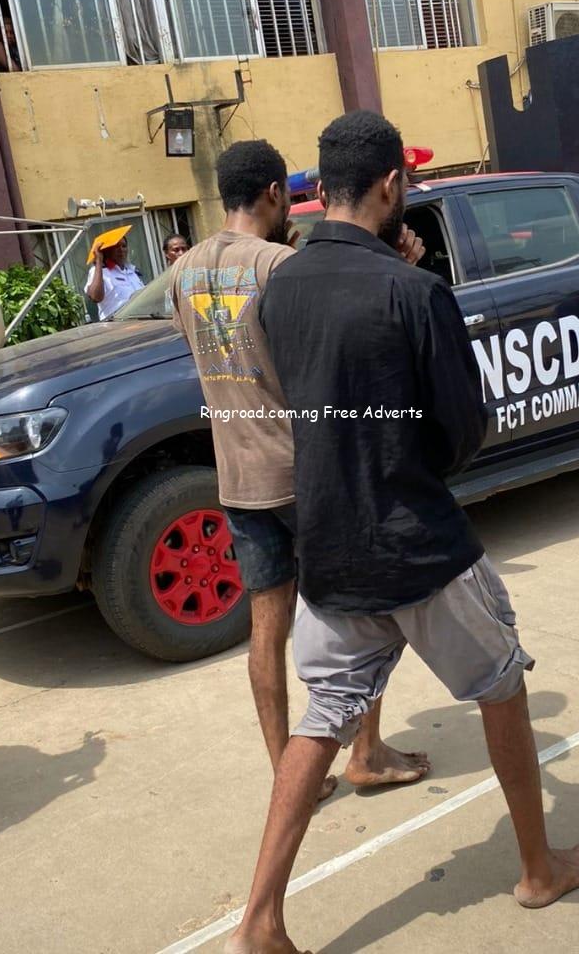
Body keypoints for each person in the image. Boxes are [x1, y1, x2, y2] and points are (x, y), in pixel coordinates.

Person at [227, 111, 579, 954]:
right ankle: (538, 870)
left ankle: (258, 923)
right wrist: (413, 292)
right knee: (501, 684)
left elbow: (314, 395)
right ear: (392, 185)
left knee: (321, 719)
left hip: (327, 548)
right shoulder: (414, 290)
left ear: (322, 188)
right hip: (418, 548)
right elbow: (461, 433)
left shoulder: (281, 289)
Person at [170, 139, 431, 801]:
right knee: (362, 612)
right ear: (273, 194)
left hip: (238, 476)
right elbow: (344, 338)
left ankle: (288, 773)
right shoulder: (282, 266)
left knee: (267, 627)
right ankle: (365, 752)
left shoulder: (183, 272)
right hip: (307, 471)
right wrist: (394, 269)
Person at [84, 226, 144, 321]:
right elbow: (95, 297)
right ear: (107, 250)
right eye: (116, 246)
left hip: (140, 322)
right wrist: (99, 260)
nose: (121, 250)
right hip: (116, 325)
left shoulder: (132, 271)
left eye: (124, 246)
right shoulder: (100, 271)